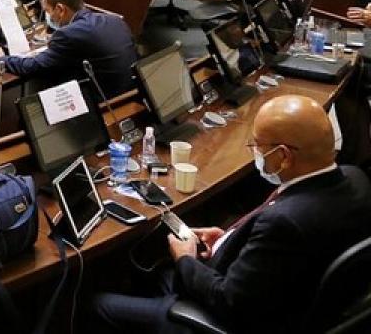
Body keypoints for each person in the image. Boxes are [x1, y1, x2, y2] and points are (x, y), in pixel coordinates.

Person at [89, 94, 371, 334]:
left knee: (99, 304)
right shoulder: (355, 178)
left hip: (233, 318)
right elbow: (278, 253)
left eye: (258, 146)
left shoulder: (285, 223)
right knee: (150, 270)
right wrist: (230, 238)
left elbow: (228, 302)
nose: (256, 152)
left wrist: (186, 258)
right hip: (283, 287)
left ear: (284, 156)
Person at [0, 0, 137, 97]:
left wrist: (2, 58)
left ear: (60, 9)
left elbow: (35, 67)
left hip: (103, 102)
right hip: (129, 92)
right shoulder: (114, 20)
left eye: (47, 11)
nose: (48, 17)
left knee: (46, 84)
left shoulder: (68, 35)